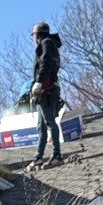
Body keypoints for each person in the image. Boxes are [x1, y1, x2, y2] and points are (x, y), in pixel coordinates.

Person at [30, 22, 63, 167]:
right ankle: (38, 157)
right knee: (41, 126)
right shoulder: (48, 43)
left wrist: (39, 82)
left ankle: (57, 155)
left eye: (34, 35)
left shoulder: (47, 42)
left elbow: (46, 63)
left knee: (49, 122)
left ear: (38, 34)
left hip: (47, 90)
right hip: (44, 91)